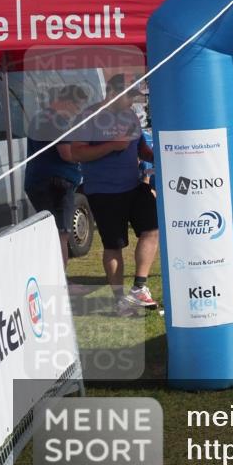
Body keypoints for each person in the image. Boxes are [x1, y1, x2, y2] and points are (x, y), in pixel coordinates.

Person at [71, 75, 159, 316]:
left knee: (152, 228)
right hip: (104, 191)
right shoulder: (89, 116)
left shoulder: (131, 116)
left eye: (135, 96)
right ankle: (120, 300)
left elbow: (140, 148)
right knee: (113, 245)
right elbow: (76, 152)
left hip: (133, 185)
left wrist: (160, 155)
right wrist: (111, 145)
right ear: (112, 92)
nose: (133, 101)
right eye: (129, 95)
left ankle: (138, 288)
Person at [24, 85, 88, 266]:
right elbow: (67, 154)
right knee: (61, 234)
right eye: (77, 107)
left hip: (37, 180)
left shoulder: (39, 117)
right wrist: (89, 155)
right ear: (67, 102)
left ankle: (51, 275)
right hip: (57, 183)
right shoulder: (58, 121)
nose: (77, 111)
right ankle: (60, 281)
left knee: (49, 232)